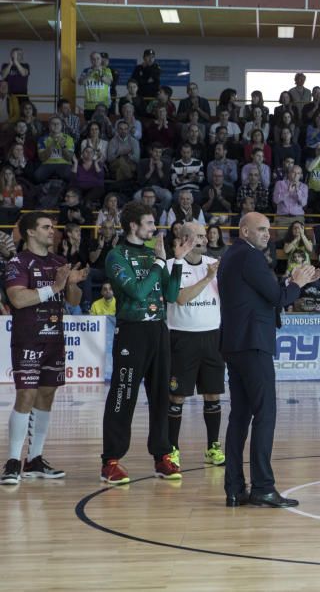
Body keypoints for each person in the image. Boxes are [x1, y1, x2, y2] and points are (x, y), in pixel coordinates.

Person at [218, 212, 320, 508]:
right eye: (260, 229)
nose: (267, 234)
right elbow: (278, 298)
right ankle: (263, 486)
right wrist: (296, 283)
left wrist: (291, 281)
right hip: (253, 344)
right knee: (265, 414)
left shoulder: (232, 256)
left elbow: (262, 293)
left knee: (239, 416)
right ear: (244, 230)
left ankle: (235, 488)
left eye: (268, 229)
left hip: (234, 344)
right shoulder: (250, 257)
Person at [100, 202, 190, 485]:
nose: (154, 229)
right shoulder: (116, 256)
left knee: (161, 395)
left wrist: (175, 262)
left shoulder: (155, 253)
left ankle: (162, 456)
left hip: (158, 331)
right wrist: (160, 263)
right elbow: (138, 293)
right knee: (123, 394)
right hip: (131, 333)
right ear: (133, 226)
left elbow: (173, 294)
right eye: (150, 224)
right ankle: (111, 461)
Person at [1, 213, 88, 485]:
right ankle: (13, 460)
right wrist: (56, 286)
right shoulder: (18, 262)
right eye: (46, 227)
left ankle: (35, 459)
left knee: (47, 396)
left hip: (55, 339)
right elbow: (17, 298)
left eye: (52, 227)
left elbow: (73, 301)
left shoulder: (59, 262)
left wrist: (72, 284)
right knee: (26, 395)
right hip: (28, 339)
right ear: (30, 232)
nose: (52, 231)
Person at [164, 221, 226, 469]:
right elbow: (180, 298)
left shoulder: (215, 265)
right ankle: (172, 449)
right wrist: (208, 278)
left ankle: (212, 447)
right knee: (177, 396)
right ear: (186, 238)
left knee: (213, 394)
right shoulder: (172, 265)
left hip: (212, 338)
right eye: (199, 236)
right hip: (181, 338)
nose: (205, 240)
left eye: (205, 236)